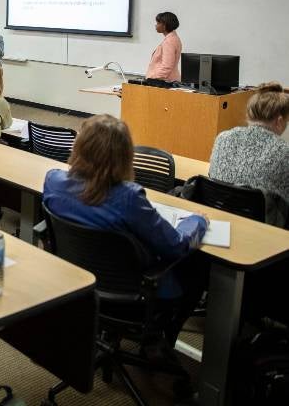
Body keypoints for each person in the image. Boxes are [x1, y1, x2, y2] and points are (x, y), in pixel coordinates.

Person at [43, 114, 208, 346]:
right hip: (132, 297)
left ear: (78, 147)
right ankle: (164, 338)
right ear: (124, 157)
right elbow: (176, 246)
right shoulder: (129, 197)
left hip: (78, 281)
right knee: (200, 264)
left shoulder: (53, 181)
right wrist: (197, 221)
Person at [209, 82, 289, 228]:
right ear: (279, 122)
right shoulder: (284, 152)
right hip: (261, 232)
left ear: (249, 115)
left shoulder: (222, 138)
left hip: (219, 222)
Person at [146, 11, 182, 82]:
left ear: (165, 25)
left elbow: (167, 67)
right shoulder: (174, 38)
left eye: (158, 23)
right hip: (169, 80)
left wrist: (151, 78)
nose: (156, 25)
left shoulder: (169, 41)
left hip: (164, 82)